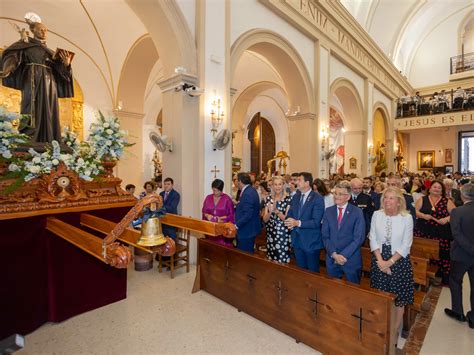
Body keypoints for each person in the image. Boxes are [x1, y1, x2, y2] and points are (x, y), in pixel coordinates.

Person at [0, 19, 74, 143]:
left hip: (50, 83)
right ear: (33, 30)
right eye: (41, 29)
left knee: (49, 108)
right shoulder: (25, 45)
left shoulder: (50, 51)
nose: (44, 32)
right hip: (31, 79)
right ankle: (29, 135)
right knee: (30, 105)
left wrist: (66, 64)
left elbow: (61, 72)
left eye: (46, 30)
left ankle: (49, 137)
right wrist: (7, 69)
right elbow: (13, 56)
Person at [369, 187, 414, 337]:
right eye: (385, 198)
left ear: (399, 201)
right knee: (380, 294)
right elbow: (373, 237)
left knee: (399, 297)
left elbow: (406, 245)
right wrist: (381, 261)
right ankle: (381, 325)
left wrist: (389, 263)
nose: (387, 201)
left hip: (398, 260)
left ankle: (394, 330)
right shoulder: (377, 214)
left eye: (391, 198)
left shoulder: (406, 218)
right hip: (379, 257)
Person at [322, 181, 366, 284]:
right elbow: (325, 236)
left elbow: (359, 238)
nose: (336, 196)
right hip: (332, 258)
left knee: (353, 292)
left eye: (340, 194)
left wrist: (344, 255)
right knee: (333, 291)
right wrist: (333, 254)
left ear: (348, 197)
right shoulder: (328, 211)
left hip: (350, 259)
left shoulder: (357, 212)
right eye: (335, 193)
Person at [414, 180, 456, 284]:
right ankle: (424, 276)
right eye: (434, 187)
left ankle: (441, 276)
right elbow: (414, 211)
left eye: (439, 187)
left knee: (442, 254)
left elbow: (455, 214)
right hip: (424, 231)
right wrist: (423, 216)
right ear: (430, 189)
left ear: (442, 190)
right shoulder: (422, 199)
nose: (436, 189)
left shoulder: (447, 201)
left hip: (441, 233)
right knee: (425, 253)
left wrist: (446, 219)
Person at [445, 183, 474, 328]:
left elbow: (456, 234)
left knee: (455, 281)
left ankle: (458, 312)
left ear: (463, 196)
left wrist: (470, 249)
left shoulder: (457, 212)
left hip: (461, 255)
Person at [285, 172, 325, 272]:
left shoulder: (317, 198)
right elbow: (290, 214)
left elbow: (316, 222)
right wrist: (289, 222)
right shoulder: (296, 196)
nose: (296, 182)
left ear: (307, 183)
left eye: (299, 180)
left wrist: (297, 223)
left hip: (310, 241)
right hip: (297, 240)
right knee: (300, 270)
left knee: (312, 271)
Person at [262, 176, 292, 263]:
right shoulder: (268, 198)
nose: (277, 187)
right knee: (271, 259)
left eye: (279, 184)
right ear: (272, 186)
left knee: (282, 259)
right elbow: (264, 219)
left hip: (283, 234)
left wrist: (276, 211)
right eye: (275, 184)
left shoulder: (288, 199)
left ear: (283, 185)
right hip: (271, 233)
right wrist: (271, 212)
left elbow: (286, 219)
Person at [202, 179, 235, 247]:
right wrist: (207, 215)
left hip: (222, 231)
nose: (215, 192)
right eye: (214, 190)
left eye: (217, 190)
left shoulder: (227, 199)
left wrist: (221, 218)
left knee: (220, 249)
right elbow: (204, 211)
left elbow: (231, 215)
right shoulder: (208, 198)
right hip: (210, 230)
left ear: (221, 190)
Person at [234, 172, 261, 253]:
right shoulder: (251, 190)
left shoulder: (247, 193)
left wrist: (236, 225)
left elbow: (248, 214)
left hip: (246, 230)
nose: (235, 182)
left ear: (240, 181)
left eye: (236, 180)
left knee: (244, 256)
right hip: (249, 229)